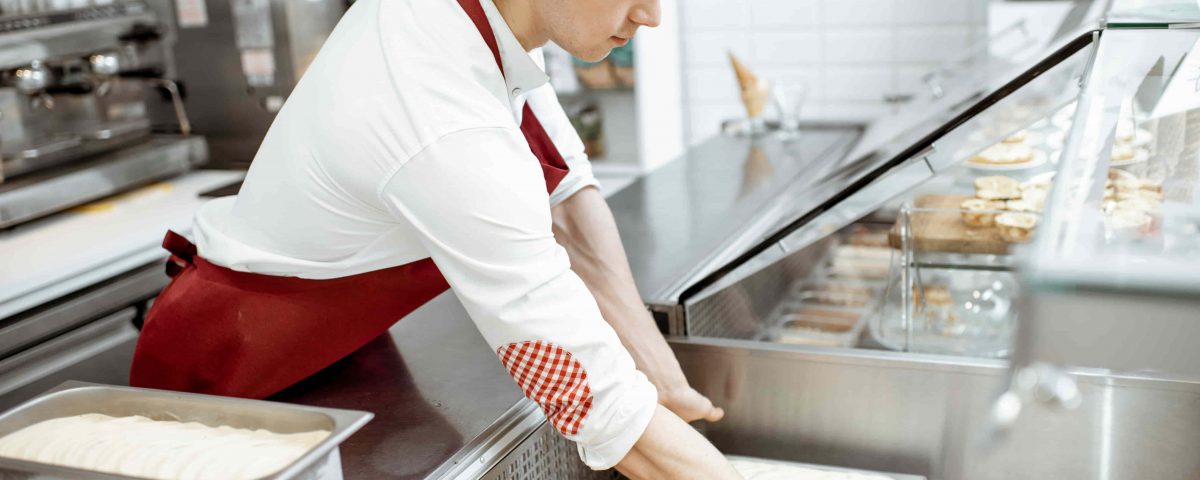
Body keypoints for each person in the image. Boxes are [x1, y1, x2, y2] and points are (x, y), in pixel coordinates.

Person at [129, 0, 745, 477]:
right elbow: (589, 399)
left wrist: (663, 378)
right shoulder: (441, 115)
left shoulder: (491, 28)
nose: (652, 15)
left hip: (341, 342)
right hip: (231, 362)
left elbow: (569, 203)